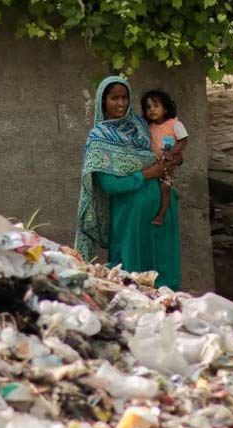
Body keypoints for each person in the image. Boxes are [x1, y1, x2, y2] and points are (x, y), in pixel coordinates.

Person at [74, 76, 181, 290]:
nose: (121, 104)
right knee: (132, 278)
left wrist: (174, 159)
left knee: (165, 273)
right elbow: (111, 186)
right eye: (114, 98)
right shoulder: (99, 138)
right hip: (130, 218)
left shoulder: (141, 126)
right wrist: (147, 174)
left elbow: (166, 148)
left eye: (124, 98)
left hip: (164, 211)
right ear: (103, 101)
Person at [141, 90, 189, 226]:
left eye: (156, 106)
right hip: (153, 162)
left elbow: (183, 140)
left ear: (166, 108)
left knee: (165, 188)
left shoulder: (174, 124)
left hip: (166, 162)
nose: (152, 110)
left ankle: (162, 214)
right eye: (148, 107)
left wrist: (172, 153)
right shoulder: (148, 126)